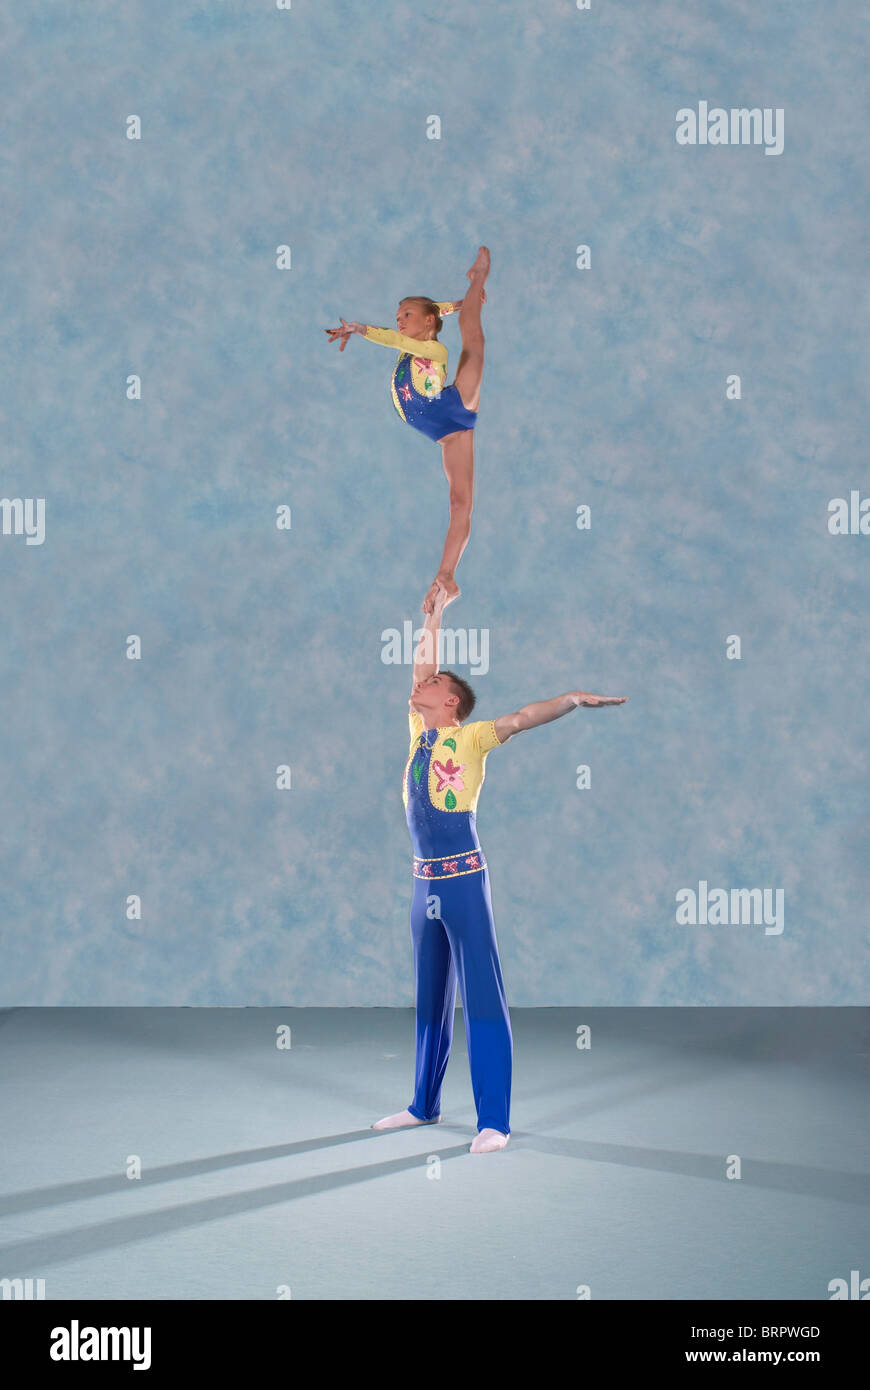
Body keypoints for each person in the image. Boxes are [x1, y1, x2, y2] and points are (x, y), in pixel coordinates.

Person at [372, 587, 627, 1153]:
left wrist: (569, 700)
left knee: (481, 995)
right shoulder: (420, 732)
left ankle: (495, 1121)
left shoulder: (473, 737)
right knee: (430, 993)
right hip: (424, 883)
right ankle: (423, 1105)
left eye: (433, 684)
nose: (420, 683)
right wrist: (436, 615)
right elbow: (422, 663)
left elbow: (522, 717)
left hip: (463, 881)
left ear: (452, 704)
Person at [325, 247, 490, 615]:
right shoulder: (418, 342)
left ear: (428, 322)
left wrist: (360, 328)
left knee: (473, 339)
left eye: (407, 315)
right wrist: (459, 302)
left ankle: (480, 272)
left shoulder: (431, 350)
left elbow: (399, 341)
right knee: (459, 503)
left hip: (453, 407)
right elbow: (425, 320)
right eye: (397, 316)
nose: (399, 320)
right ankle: (446, 575)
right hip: (444, 431)